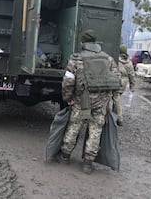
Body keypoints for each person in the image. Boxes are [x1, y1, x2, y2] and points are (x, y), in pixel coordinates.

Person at [58, 29, 121, 174]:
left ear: (82, 43)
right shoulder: (108, 59)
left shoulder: (76, 59)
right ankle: (88, 163)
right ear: (95, 42)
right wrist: (108, 99)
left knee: (74, 127)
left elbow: (67, 81)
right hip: (101, 103)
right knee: (95, 131)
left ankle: (65, 156)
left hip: (81, 101)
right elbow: (117, 80)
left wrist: (68, 98)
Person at [112, 44, 135, 126]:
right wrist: (132, 86)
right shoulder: (129, 62)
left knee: (116, 99)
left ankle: (119, 118)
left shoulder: (115, 59)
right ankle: (115, 116)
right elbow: (132, 75)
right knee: (117, 99)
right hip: (124, 83)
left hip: (117, 80)